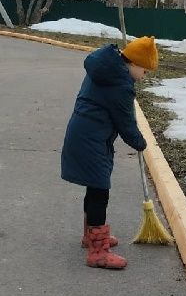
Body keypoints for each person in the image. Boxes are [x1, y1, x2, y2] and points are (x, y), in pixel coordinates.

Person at [61, 35, 159, 269]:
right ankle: (97, 252)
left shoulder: (105, 69)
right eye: (144, 72)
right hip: (91, 139)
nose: (144, 77)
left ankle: (91, 237)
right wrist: (140, 143)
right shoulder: (119, 85)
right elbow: (126, 124)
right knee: (99, 192)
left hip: (84, 133)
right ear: (133, 64)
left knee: (94, 187)